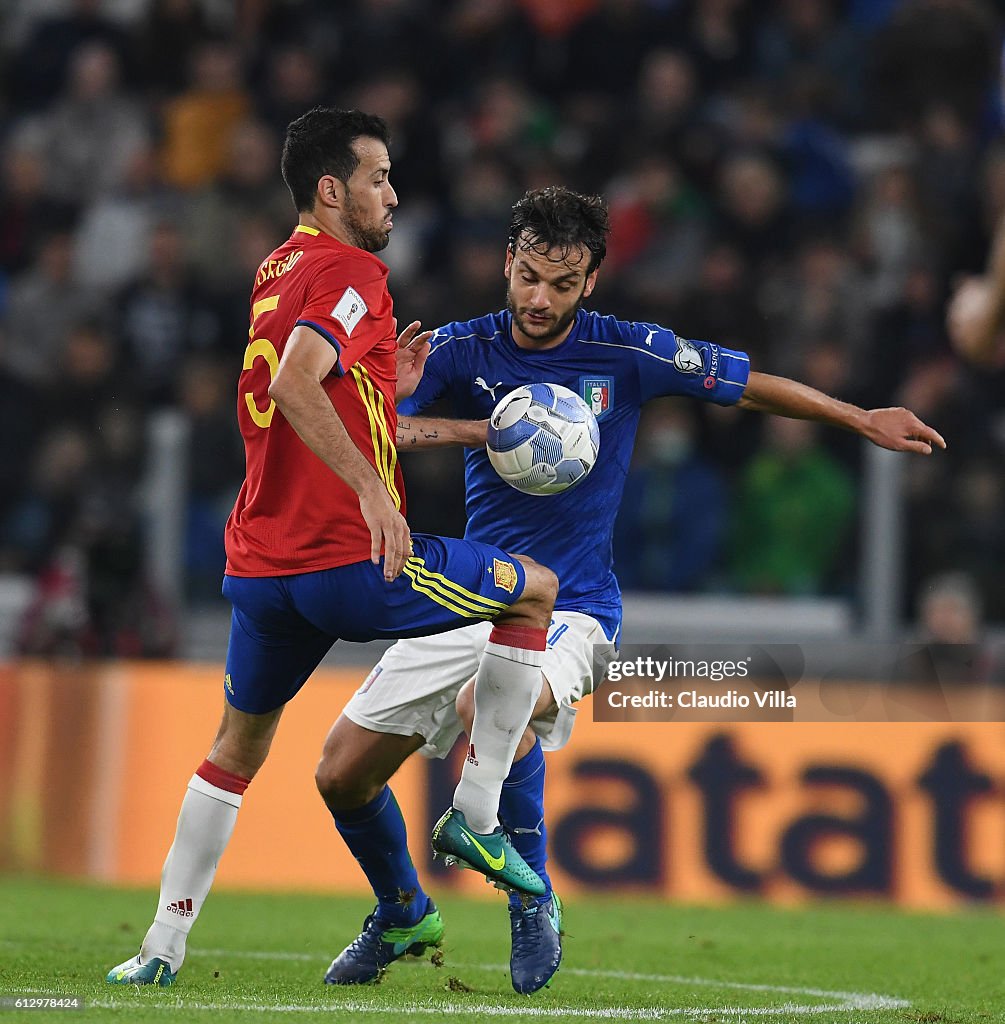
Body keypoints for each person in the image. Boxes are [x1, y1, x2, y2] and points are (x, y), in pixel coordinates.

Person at [316, 186, 947, 995]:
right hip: (473, 594)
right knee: (340, 773)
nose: (540, 299)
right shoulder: (457, 351)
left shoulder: (628, 353)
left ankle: (529, 888)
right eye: (529, 278)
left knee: (490, 706)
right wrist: (391, 393)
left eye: (562, 284)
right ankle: (401, 909)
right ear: (507, 263)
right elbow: (372, 435)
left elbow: (748, 385)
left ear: (591, 282)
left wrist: (858, 417)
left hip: (571, 607)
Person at [105, 107, 560, 988]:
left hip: (263, 567)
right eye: (378, 177)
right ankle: (474, 815)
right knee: (535, 589)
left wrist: (445, 420)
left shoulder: (278, 270)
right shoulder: (354, 271)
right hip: (349, 562)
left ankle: (162, 946)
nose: (392, 193)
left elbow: (317, 405)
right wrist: (369, 493)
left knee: (235, 751)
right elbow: (296, 383)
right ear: (331, 190)